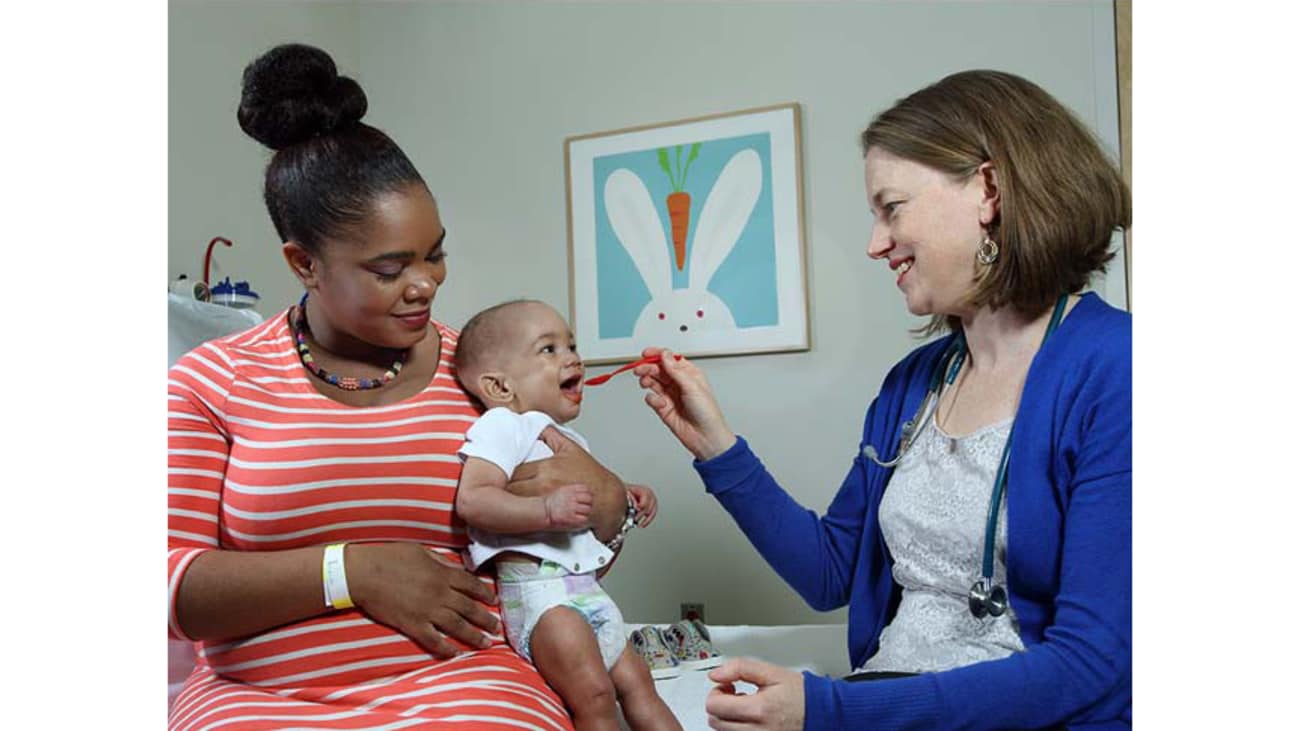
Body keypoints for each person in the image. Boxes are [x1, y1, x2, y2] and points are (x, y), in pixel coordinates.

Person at [633, 69, 1131, 730]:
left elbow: (1093, 665)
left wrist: (834, 708)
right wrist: (714, 444)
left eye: (891, 207)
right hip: (877, 701)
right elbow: (830, 572)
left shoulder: (1119, 369)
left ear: (987, 189)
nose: (874, 242)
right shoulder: (913, 383)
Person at [167, 44, 632, 730]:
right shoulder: (212, 382)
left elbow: (591, 527)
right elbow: (172, 586)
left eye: (435, 252)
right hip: (262, 700)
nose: (426, 284)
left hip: (464, 685)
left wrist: (601, 496)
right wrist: (350, 572)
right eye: (390, 268)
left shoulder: (481, 372)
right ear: (305, 263)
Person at [452, 299, 681, 731]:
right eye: (549, 349)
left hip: (587, 592)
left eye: (571, 345)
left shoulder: (570, 438)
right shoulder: (502, 425)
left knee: (640, 683)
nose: (573, 357)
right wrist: (545, 510)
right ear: (500, 387)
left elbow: (589, 510)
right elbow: (474, 499)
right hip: (542, 599)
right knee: (595, 695)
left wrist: (625, 496)